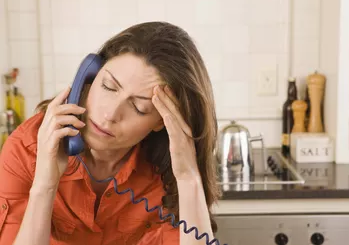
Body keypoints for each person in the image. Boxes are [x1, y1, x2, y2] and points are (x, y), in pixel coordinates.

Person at [0, 22, 221, 245]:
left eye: (138, 108)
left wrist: (188, 179)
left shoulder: (165, 173)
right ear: (88, 77)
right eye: (108, 86)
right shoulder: (27, 146)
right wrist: (44, 185)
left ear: (162, 122)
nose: (110, 114)